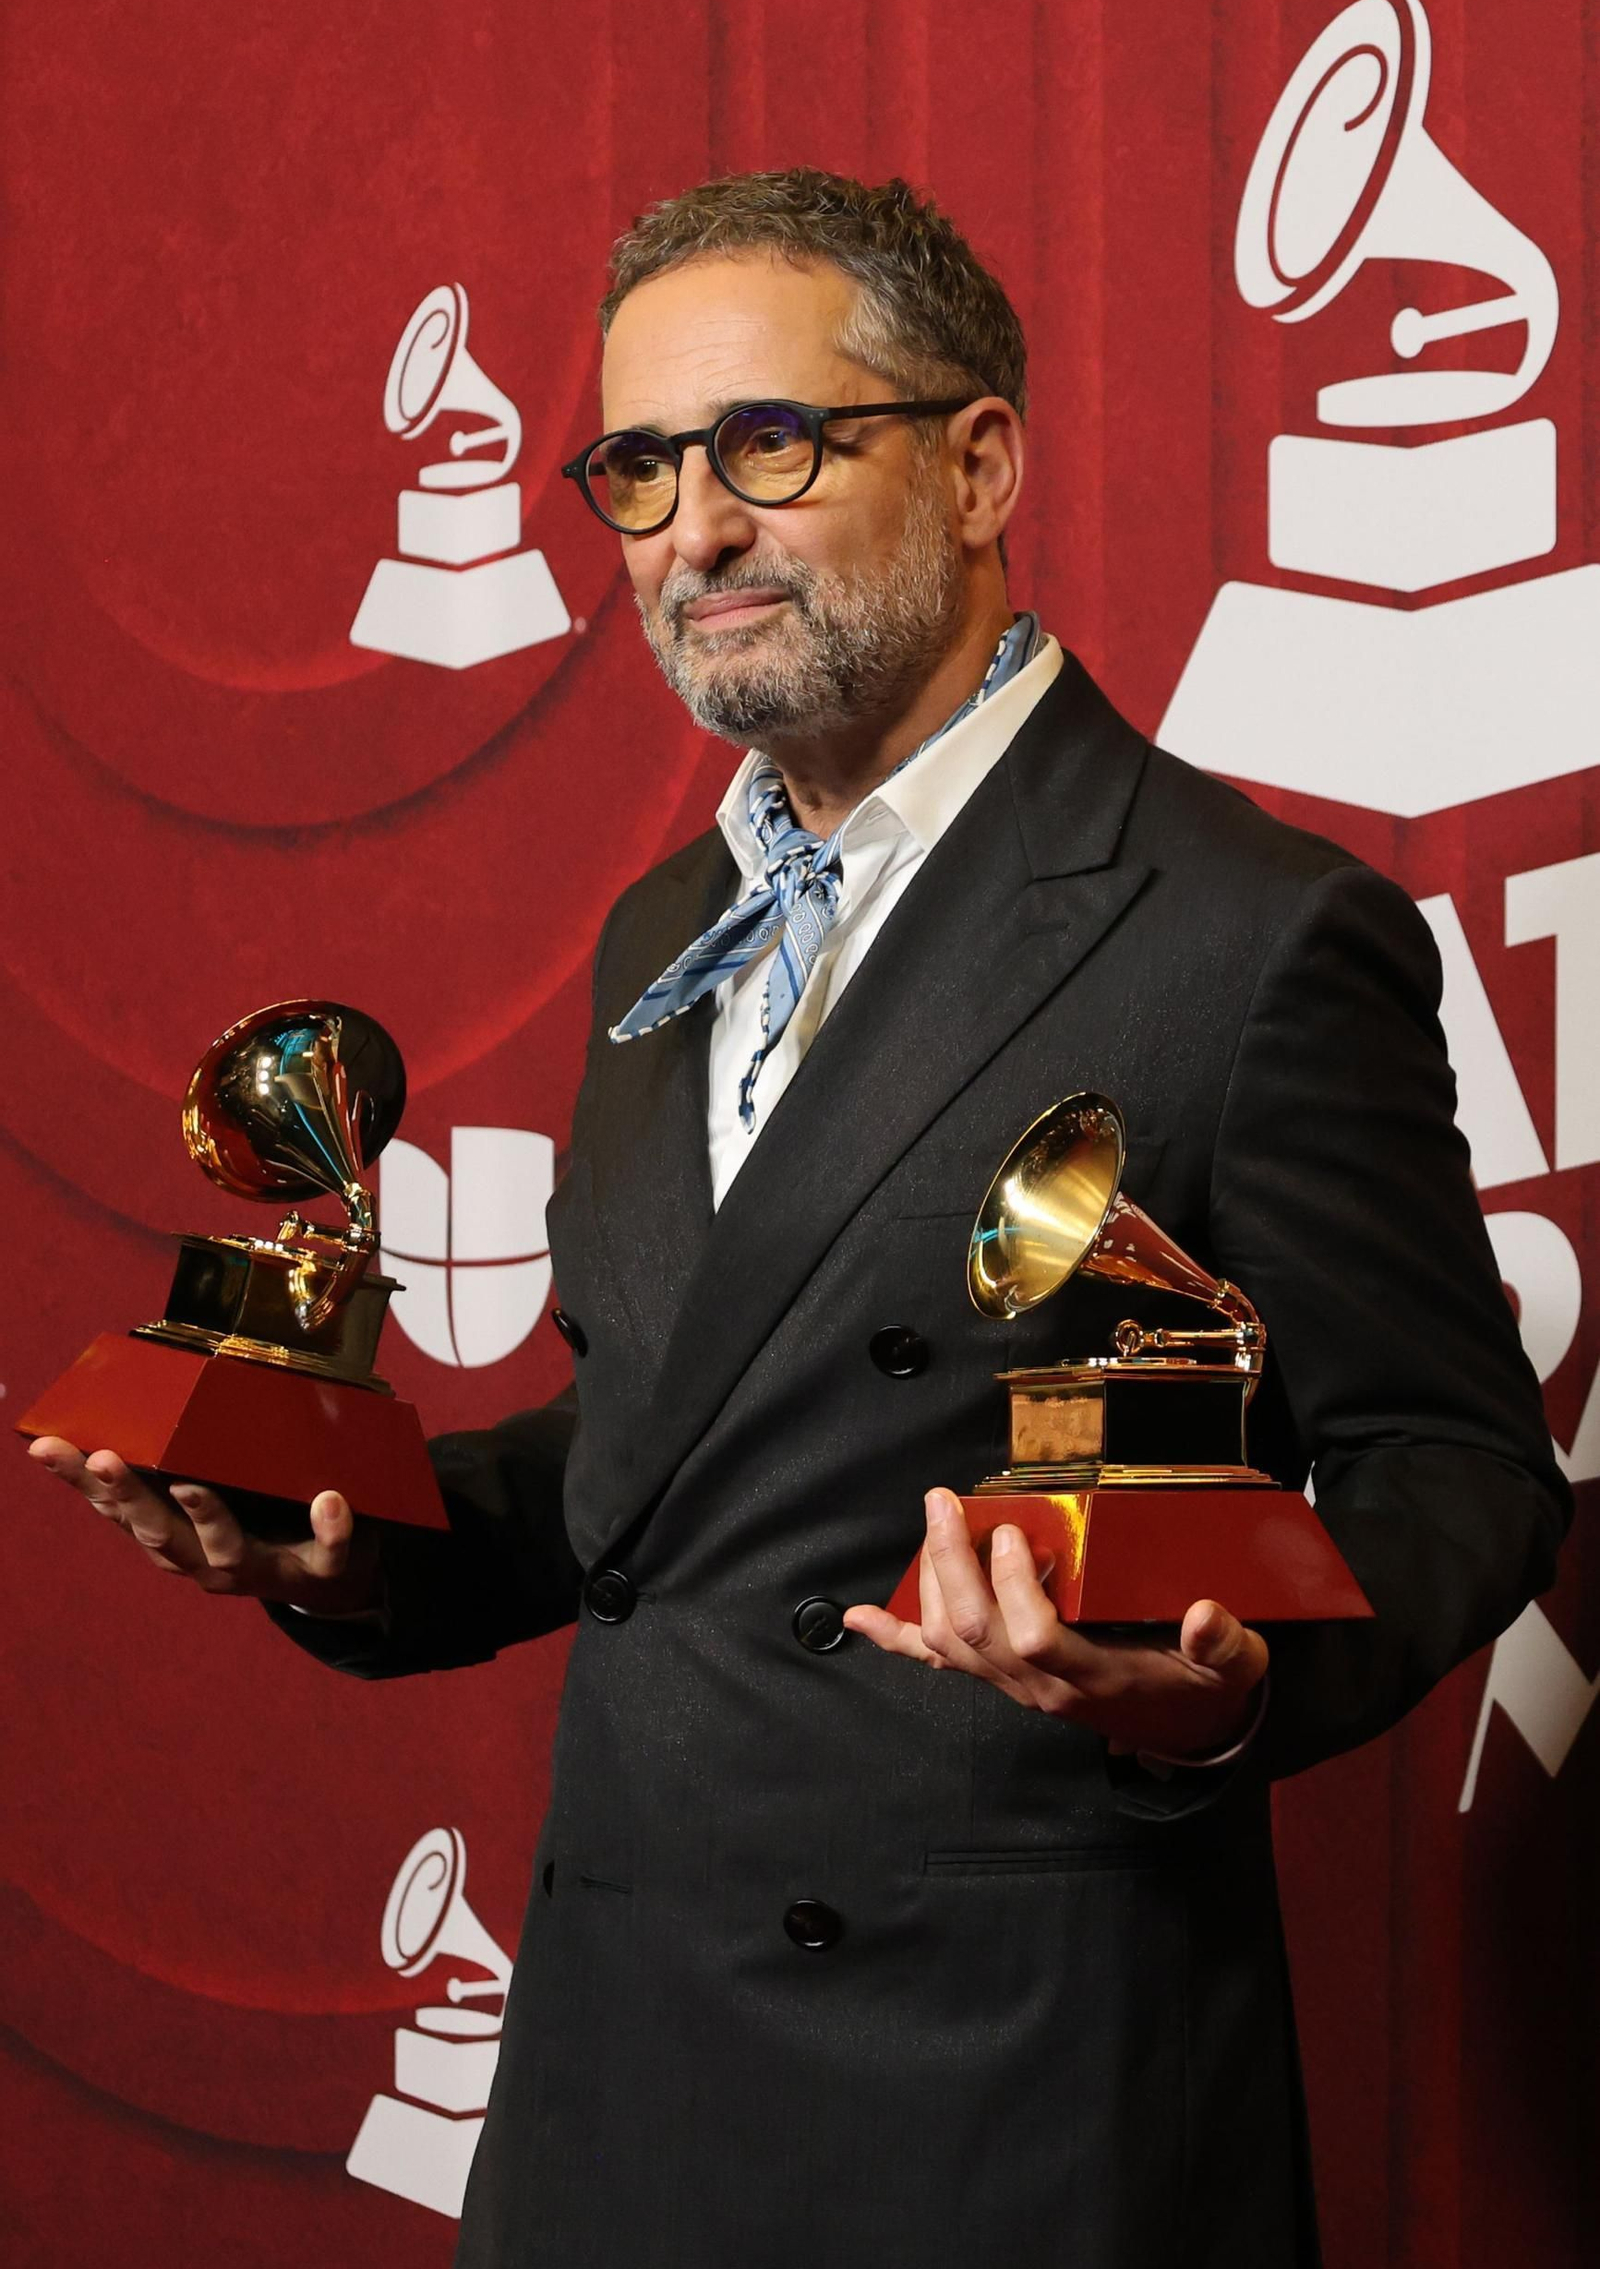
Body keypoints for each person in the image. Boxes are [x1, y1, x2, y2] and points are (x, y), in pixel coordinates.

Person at [32, 169, 1569, 2268]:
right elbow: (668, 1466)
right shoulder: (663, 930)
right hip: (604, 2079)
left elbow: (1455, 1471)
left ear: (977, 462)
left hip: (1004, 2104)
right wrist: (351, 1537)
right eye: (639, 471)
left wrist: (1202, 1689)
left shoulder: (1254, 936)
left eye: (767, 443)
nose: (693, 534)